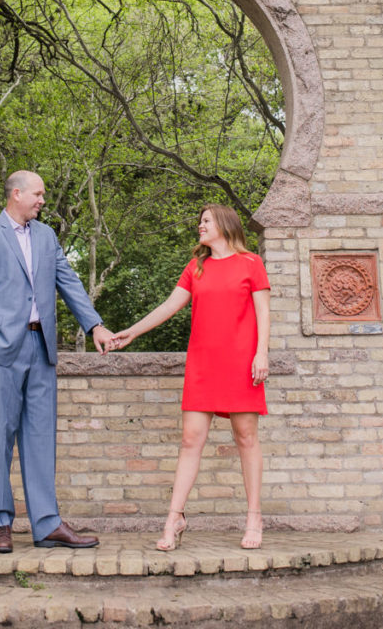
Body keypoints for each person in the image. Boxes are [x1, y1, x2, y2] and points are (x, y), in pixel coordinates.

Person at [0, 169, 115, 553]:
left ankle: (47, 525)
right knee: (0, 439)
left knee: (42, 439)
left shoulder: (46, 237)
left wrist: (94, 325)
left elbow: (69, 282)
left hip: (41, 348)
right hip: (0, 351)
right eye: (38, 194)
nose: (42, 201)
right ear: (16, 194)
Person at [111, 204, 271, 551]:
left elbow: (263, 312)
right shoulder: (196, 267)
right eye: (200, 221)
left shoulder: (251, 264)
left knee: (246, 437)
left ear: (224, 225)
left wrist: (262, 353)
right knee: (189, 441)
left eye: (206, 221)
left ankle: (254, 517)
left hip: (241, 361)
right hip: (203, 364)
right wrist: (131, 333)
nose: (200, 226)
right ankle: (174, 518)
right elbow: (169, 307)